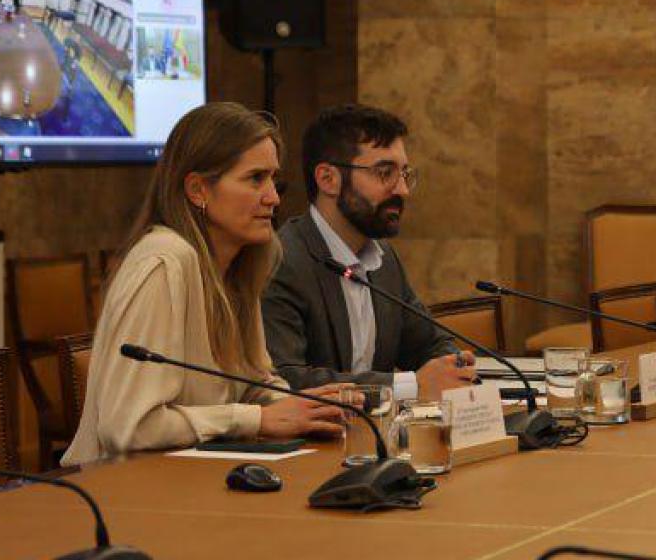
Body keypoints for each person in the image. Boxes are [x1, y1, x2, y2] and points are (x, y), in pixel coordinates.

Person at [63, 102, 344, 465]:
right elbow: (128, 427)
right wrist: (257, 419)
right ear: (198, 189)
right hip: (123, 495)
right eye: (255, 179)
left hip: (189, 481)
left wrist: (311, 409)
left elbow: (254, 387)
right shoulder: (163, 263)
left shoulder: (239, 264)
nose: (273, 197)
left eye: (274, 179)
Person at [261, 104, 477, 401]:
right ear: (327, 179)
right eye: (384, 173)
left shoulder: (383, 259)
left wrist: (453, 366)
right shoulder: (281, 260)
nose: (402, 190)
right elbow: (285, 377)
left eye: (404, 174)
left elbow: (428, 344)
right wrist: (410, 386)